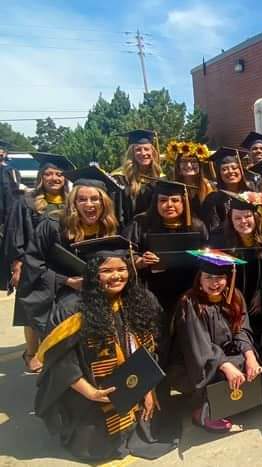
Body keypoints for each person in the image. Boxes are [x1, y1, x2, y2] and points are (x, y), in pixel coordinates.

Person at [33, 236, 179, 461]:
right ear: (93, 274)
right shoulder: (71, 310)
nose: (116, 276)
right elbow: (61, 362)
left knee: (153, 427)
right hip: (89, 395)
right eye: (107, 271)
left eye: (122, 269)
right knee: (97, 448)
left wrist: (147, 388)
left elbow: (151, 348)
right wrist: (91, 393)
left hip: (133, 386)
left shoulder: (140, 300)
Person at [15, 166, 121, 341]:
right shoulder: (53, 225)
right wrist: (67, 281)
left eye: (95, 199)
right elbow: (33, 264)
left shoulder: (109, 227)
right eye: (82, 199)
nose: (89, 204)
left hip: (97, 289)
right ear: (74, 202)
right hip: (59, 291)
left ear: (104, 203)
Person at [172, 251, 262, 433]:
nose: (215, 283)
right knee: (224, 370)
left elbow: (241, 330)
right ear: (200, 279)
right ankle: (203, 411)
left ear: (228, 278)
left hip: (223, 356)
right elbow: (197, 345)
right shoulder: (189, 302)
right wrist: (224, 365)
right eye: (209, 278)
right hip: (194, 363)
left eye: (220, 278)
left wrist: (250, 355)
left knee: (250, 362)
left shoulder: (234, 296)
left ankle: (229, 401)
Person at [3, 153, 74, 373]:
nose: (54, 178)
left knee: (57, 308)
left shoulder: (72, 200)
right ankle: (31, 353)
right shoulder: (27, 201)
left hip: (63, 263)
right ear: (41, 177)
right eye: (49, 174)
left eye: (59, 174)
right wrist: (17, 264)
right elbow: (15, 233)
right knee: (31, 309)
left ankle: (53, 350)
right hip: (33, 262)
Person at [125, 179, 209, 318]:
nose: (169, 205)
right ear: (156, 203)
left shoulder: (197, 226)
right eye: (163, 200)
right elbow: (125, 252)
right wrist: (140, 261)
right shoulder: (141, 223)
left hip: (187, 289)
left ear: (184, 202)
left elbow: (208, 255)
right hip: (151, 289)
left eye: (175, 200)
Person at [208, 190, 262, 342]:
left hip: (257, 306)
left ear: (255, 217)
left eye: (248, 216)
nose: (243, 221)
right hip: (229, 301)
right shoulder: (220, 242)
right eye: (238, 218)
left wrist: (261, 295)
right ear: (231, 220)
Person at [111, 129, 163, 222]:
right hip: (128, 230)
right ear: (132, 153)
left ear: (153, 152)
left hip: (154, 230)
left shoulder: (161, 178)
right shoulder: (120, 178)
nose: (143, 153)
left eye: (146, 149)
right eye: (138, 150)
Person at [200, 147, 252, 233]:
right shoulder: (213, 199)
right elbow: (213, 227)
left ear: (241, 170)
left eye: (234, 168)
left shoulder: (252, 193)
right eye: (224, 169)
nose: (230, 171)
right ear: (219, 174)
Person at [166, 140, 214, 216]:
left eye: (193, 161)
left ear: (200, 165)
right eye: (184, 161)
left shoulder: (209, 186)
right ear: (178, 165)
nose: (189, 165)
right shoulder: (170, 187)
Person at [0, 139, 21, 232]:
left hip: (7, 207)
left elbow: (15, 189)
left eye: (1, 152)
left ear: (4, 154)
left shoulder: (11, 170)